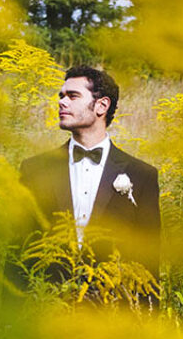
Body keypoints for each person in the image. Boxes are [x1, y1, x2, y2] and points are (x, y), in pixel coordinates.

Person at [17, 65, 161, 291]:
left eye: (73, 96)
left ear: (102, 105)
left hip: (112, 306)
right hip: (46, 304)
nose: (62, 102)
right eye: (61, 96)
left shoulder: (142, 175)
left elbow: (149, 262)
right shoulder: (34, 170)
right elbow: (18, 249)